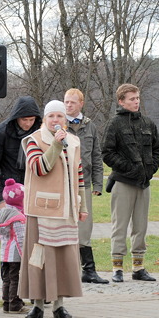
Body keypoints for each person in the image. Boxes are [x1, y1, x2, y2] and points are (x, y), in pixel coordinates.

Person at [19, 100, 86, 318]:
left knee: (62, 258)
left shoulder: (74, 141)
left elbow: (79, 177)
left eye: (59, 116)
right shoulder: (32, 140)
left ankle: (59, 305)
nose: (55, 121)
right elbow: (39, 168)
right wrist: (56, 145)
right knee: (39, 257)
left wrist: (82, 206)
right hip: (42, 209)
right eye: (51, 117)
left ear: (64, 120)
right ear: (44, 119)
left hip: (67, 209)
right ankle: (37, 305)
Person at [102, 84, 159, 282]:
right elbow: (107, 153)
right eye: (131, 99)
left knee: (141, 226)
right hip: (123, 182)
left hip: (144, 184)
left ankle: (139, 267)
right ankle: (117, 267)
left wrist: (150, 169)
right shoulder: (114, 124)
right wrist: (128, 168)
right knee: (119, 226)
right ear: (121, 101)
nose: (136, 101)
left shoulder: (148, 123)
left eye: (137, 98)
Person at [64, 88, 108, 284]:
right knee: (65, 226)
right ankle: (67, 270)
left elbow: (96, 156)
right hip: (64, 183)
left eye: (73, 102)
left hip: (85, 183)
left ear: (81, 104)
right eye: (66, 102)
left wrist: (98, 183)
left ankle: (88, 270)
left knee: (84, 226)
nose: (69, 105)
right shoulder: (58, 125)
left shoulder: (90, 126)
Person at [0, 96, 42, 209]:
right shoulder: (1, 132)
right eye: (24, 120)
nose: (28, 124)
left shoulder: (40, 133)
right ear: (16, 117)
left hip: (34, 190)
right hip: (8, 192)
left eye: (32, 119)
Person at [0, 179, 28, 314]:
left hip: (4, 253)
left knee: (6, 279)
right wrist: (25, 254)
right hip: (15, 255)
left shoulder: (3, 214)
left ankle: (6, 302)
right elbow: (20, 238)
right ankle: (15, 303)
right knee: (15, 279)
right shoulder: (18, 216)